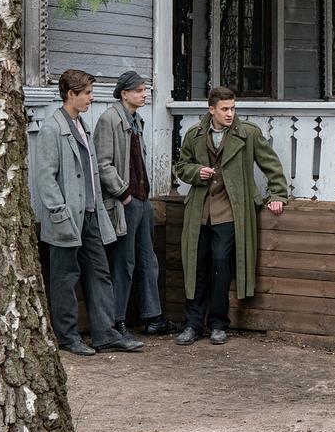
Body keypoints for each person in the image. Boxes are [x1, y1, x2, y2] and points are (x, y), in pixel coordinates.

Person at [33, 69, 143, 356]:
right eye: (88, 93)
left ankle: (105, 334)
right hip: (66, 219)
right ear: (71, 94)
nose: (92, 99)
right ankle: (68, 337)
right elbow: (45, 177)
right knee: (64, 278)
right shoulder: (53, 128)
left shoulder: (82, 124)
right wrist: (59, 213)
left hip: (91, 215)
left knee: (100, 273)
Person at [175, 87, 290, 346]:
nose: (230, 113)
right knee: (196, 266)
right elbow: (181, 167)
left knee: (220, 265)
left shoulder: (247, 134)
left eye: (233, 108)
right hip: (199, 212)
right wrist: (196, 172)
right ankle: (192, 325)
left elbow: (271, 164)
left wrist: (277, 195)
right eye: (225, 109)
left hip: (231, 211)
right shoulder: (194, 135)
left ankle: (218, 324)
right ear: (211, 109)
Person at [94, 71, 175, 339]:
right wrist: (123, 193)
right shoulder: (109, 120)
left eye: (144, 90)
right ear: (124, 93)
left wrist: (141, 196)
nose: (144, 94)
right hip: (124, 203)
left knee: (148, 261)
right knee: (123, 263)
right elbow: (102, 164)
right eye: (139, 90)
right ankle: (116, 321)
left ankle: (153, 318)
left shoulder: (136, 120)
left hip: (142, 201)